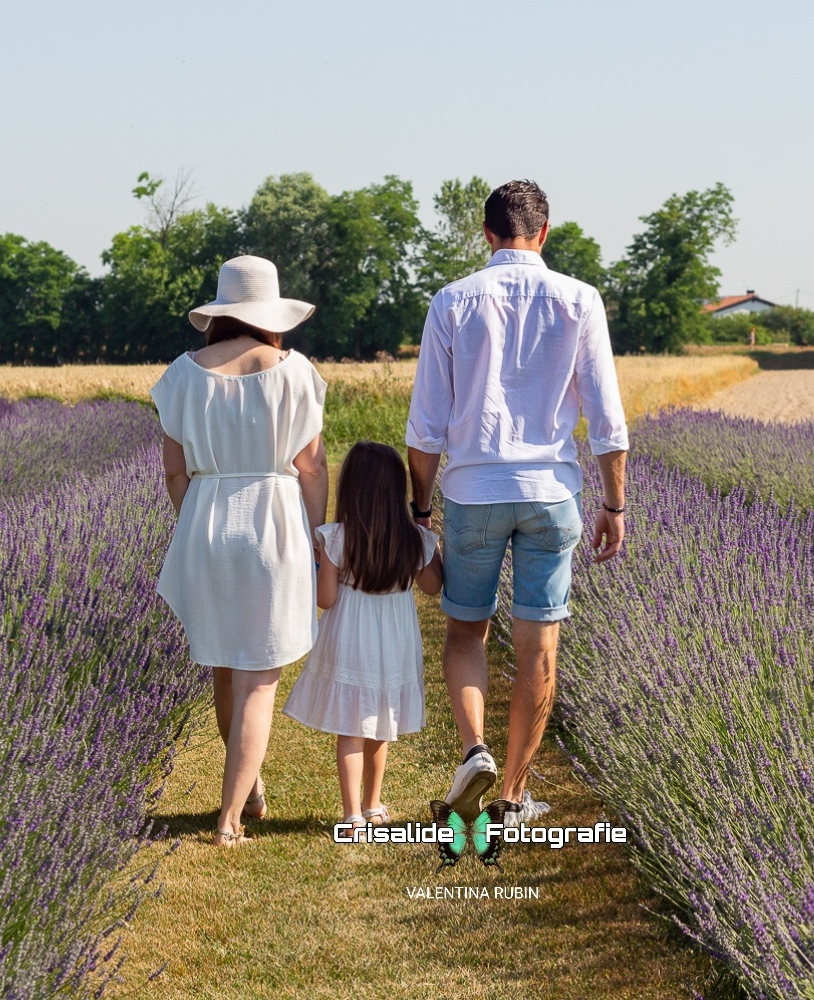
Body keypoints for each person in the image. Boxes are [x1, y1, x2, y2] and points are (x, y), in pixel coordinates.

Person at [405, 179, 629, 825]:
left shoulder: (452, 300)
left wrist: (421, 509)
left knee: (465, 631)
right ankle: (511, 796)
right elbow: (607, 421)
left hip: (473, 490)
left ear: (487, 234)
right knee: (539, 646)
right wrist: (614, 506)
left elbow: (426, 426)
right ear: (545, 231)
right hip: (550, 492)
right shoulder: (581, 299)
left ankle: (475, 750)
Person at [149, 255, 328, 847]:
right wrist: (314, 533)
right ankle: (228, 820)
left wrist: (197, 521)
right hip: (273, 519)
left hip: (206, 518)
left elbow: (174, 472)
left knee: (225, 670)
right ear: (271, 313)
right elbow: (312, 466)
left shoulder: (181, 373)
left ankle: (246, 789)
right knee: (258, 678)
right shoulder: (295, 371)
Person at [282, 441, 443, 832]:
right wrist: (430, 538)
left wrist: (321, 563)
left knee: (351, 725)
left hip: (352, 634)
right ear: (397, 492)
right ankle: (373, 805)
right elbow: (433, 586)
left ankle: (352, 813)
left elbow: (325, 599)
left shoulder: (338, 537)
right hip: (395, 638)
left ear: (349, 490)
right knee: (380, 721)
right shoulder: (414, 540)